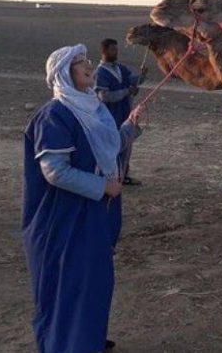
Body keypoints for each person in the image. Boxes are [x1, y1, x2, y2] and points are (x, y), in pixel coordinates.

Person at [23, 44, 144, 353]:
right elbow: (55, 172)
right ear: (64, 73)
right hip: (62, 218)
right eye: (80, 63)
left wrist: (129, 128)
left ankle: (87, 338)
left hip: (93, 214)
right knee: (69, 281)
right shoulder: (55, 115)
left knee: (94, 280)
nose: (89, 66)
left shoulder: (92, 108)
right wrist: (102, 186)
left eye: (87, 60)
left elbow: (108, 145)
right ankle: (68, 344)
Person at [96, 38, 147, 185]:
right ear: (104, 51)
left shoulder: (120, 68)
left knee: (126, 146)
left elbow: (132, 80)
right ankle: (112, 177)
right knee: (113, 147)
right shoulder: (100, 73)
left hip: (125, 114)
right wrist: (127, 91)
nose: (116, 52)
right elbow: (104, 96)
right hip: (110, 117)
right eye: (113, 49)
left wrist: (142, 76)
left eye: (116, 49)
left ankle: (123, 175)